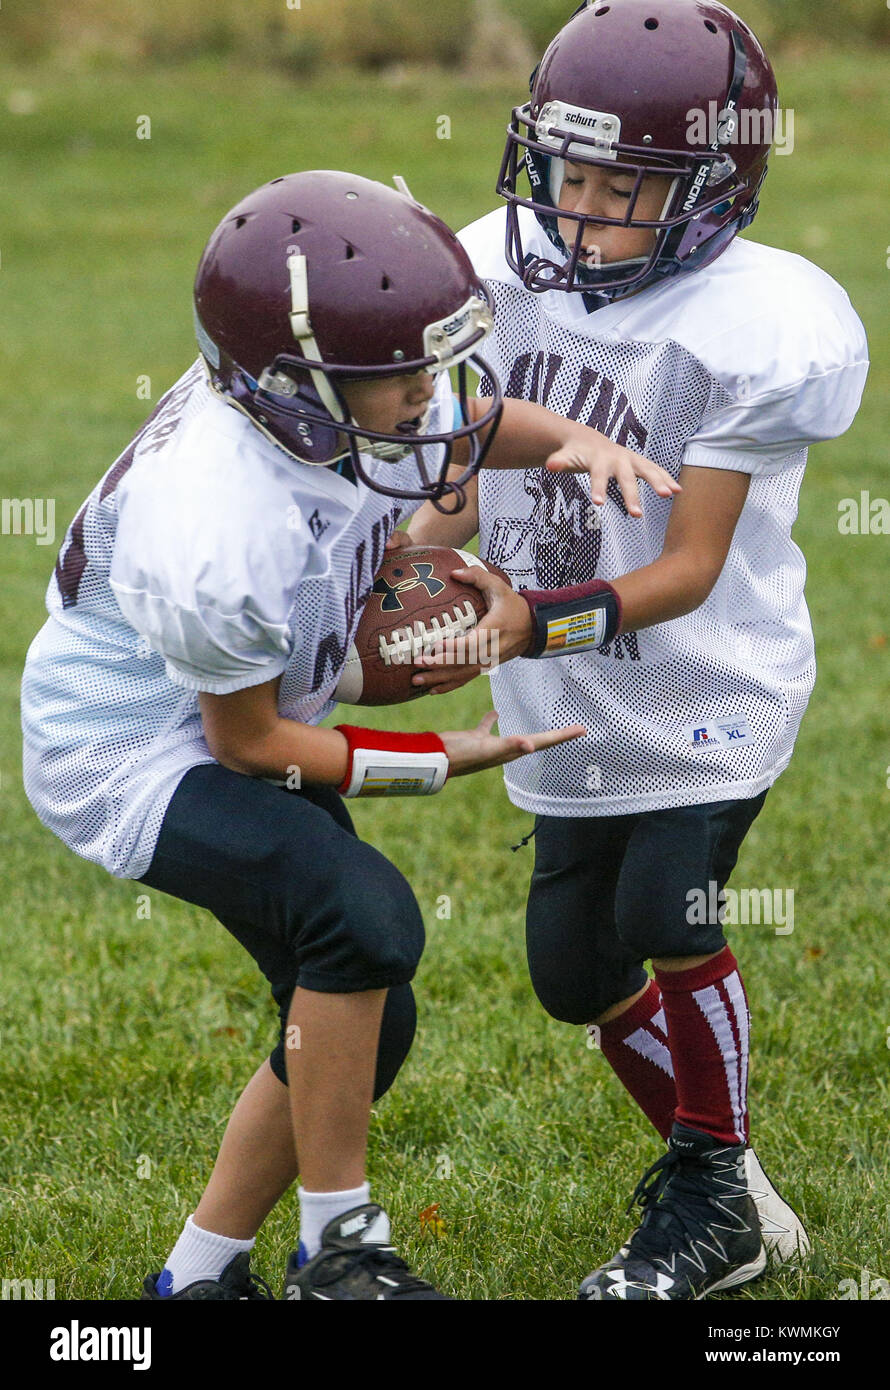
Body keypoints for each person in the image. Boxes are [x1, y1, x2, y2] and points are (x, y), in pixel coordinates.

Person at [20, 169, 675, 1301]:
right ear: (295, 391)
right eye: (402, 373)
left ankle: (196, 1278)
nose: (434, 393)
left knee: (370, 1007)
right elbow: (249, 744)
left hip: (233, 708)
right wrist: (430, 757)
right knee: (362, 917)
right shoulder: (217, 520)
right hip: (128, 747)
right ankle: (341, 1252)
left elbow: (468, 423)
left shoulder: (330, 405)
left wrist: (575, 439)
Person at [407, 0, 869, 1300]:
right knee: (572, 970)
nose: (585, 212)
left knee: (668, 910)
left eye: (629, 186)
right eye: (568, 175)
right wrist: (422, 567)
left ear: (715, 188)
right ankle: (728, 1183)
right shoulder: (492, 266)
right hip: (560, 692)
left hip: (707, 682)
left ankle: (708, 1195)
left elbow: (683, 567)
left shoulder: (759, 324)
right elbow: (462, 472)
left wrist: (522, 615)